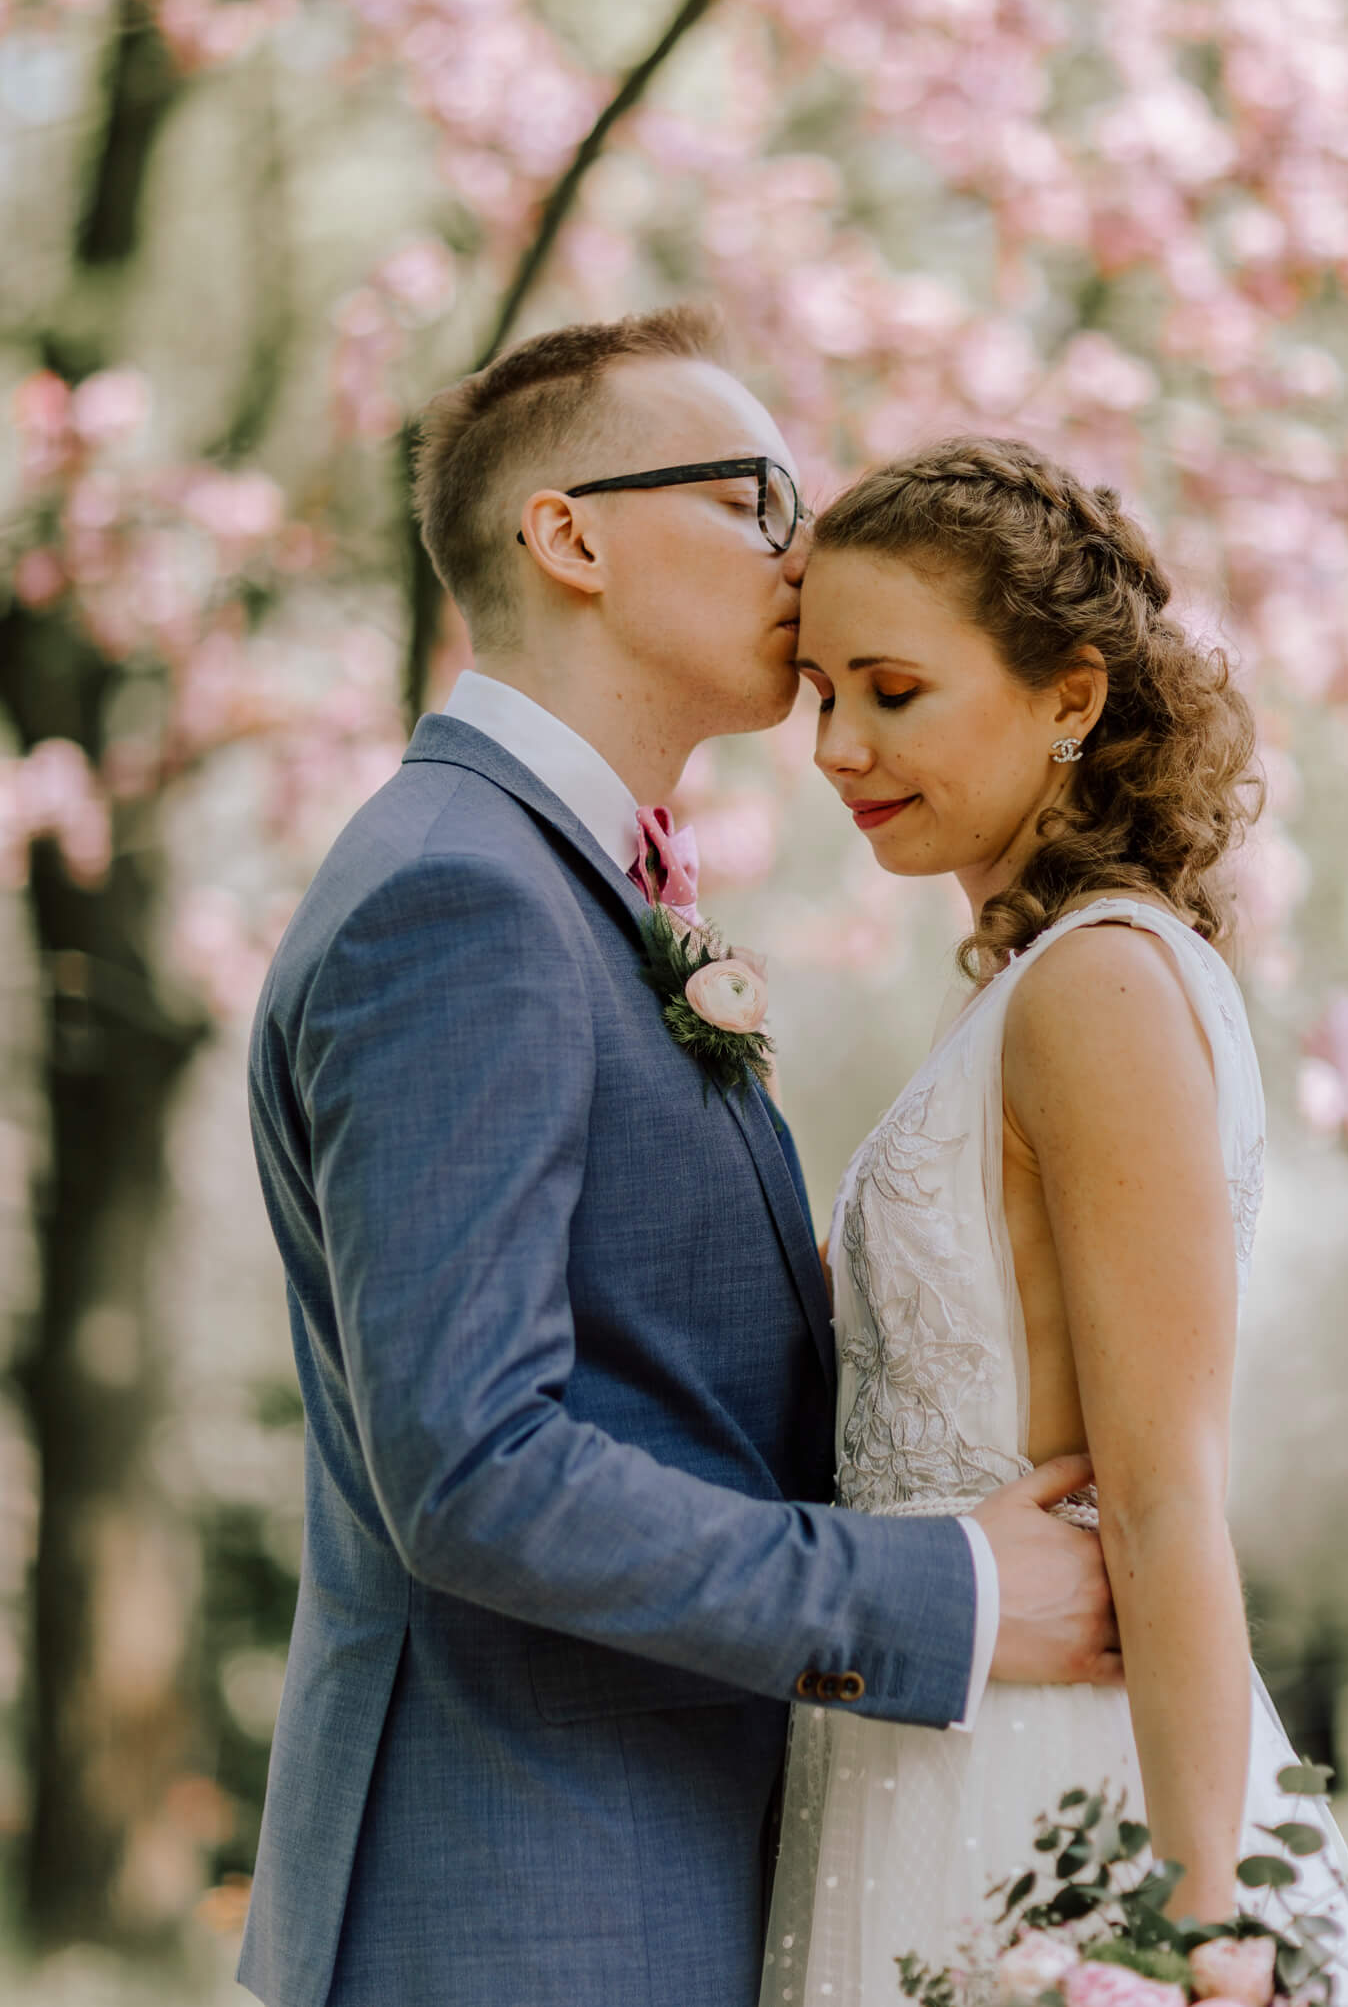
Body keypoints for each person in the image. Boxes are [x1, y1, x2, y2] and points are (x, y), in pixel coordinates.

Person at [238, 310, 1120, 2007]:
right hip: (517, 1906)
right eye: (751, 498)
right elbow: (475, 1464)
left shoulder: (568, 888)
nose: (808, 549)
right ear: (567, 535)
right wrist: (942, 1589)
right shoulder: (461, 901)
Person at [764, 436, 1348, 2003]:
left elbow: (1168, 1493)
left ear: (1072, 697)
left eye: (892, 690)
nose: (840, 746)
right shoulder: (1029, 990)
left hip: (1047, 1784)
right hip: (924, 1733)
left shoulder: (1101, 986)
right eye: (820, 692)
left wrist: (1201, 1923)